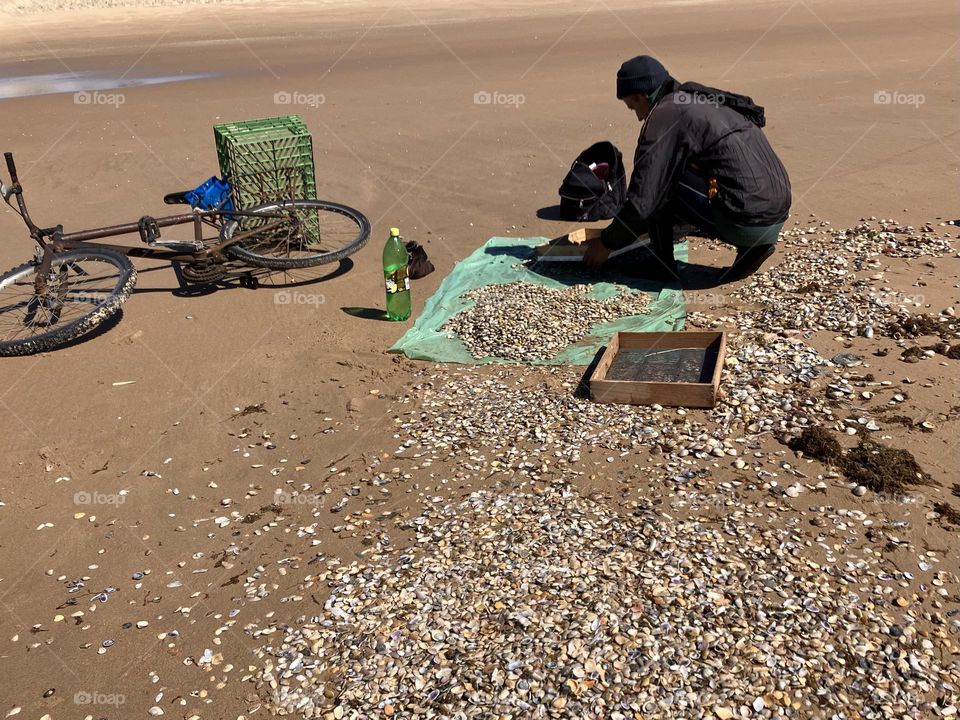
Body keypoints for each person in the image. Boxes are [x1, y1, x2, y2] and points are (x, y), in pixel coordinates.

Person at [583, 55, 792, 281]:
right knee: (679, 173)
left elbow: (642, 202)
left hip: (748, 223)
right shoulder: (699, 99)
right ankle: (752, 248)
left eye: (633, 106)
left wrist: (606, 243)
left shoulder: (665, 115)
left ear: (640, 95)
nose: (637, 116)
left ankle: (663, 266)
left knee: (660, 182)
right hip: (778, 212)